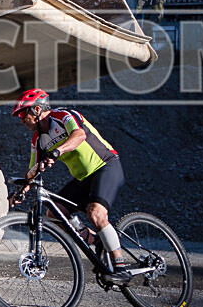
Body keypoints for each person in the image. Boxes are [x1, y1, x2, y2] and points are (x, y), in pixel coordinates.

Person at [11, 88, 131, 285]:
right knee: (54, 213)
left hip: (106, 166)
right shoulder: (38, 140)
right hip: (83, 178)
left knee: (96, 213)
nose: (22, 121)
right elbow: (32, 170)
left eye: (24, 115)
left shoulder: (64, 116)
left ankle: (121, 268)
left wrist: (57, 151)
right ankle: (95, 240)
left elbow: (79, 135)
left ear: (38, 109)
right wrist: (21, 190)